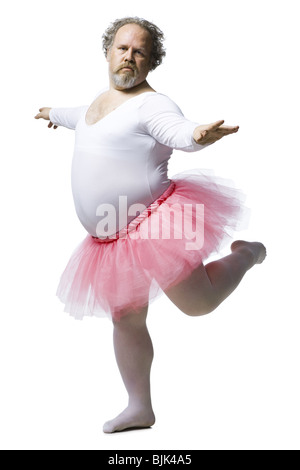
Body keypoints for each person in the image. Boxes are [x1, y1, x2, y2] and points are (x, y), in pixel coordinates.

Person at [34, 17, 266, 434]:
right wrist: (52, 112)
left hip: (153, 226)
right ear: (108, 53)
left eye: (139, 51)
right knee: (125, 318)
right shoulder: (95, 105)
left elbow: (177, 131)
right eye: (122, 48)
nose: (129, 57)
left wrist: (198, 134)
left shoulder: (153, 104)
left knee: (198, 303)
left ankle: (246, 254)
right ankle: (139, 406)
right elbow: (78, 117)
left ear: (151, 61)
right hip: (108, 239)